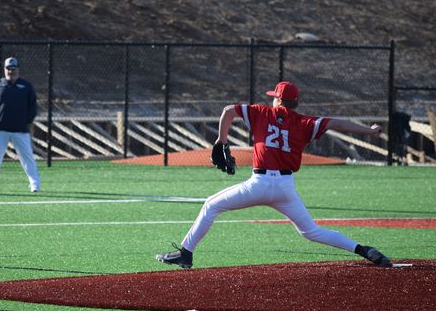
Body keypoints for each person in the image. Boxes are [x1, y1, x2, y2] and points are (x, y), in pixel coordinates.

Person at [156, 81, 392, 268]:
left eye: (275, 96)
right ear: (295, 102)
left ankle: (185, 254)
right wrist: (369, 131)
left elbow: (228, 110)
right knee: (311, 231)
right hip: (285, 188)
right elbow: (336, 124)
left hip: (258, 183)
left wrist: (221, 140)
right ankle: (364, 250)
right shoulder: (304, 122)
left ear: (278, 99)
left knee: (211, 205)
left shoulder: (262, 113)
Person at [0, 57, 41, 192]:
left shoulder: (26, 86)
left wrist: (27, 121)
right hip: (0, 128)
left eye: (13, 69)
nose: (11, 72)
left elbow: (32, 106)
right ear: (4, 69)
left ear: (18, 69)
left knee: (27, 156)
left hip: (20, 129)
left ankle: (35, 184)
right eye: (8, 69)